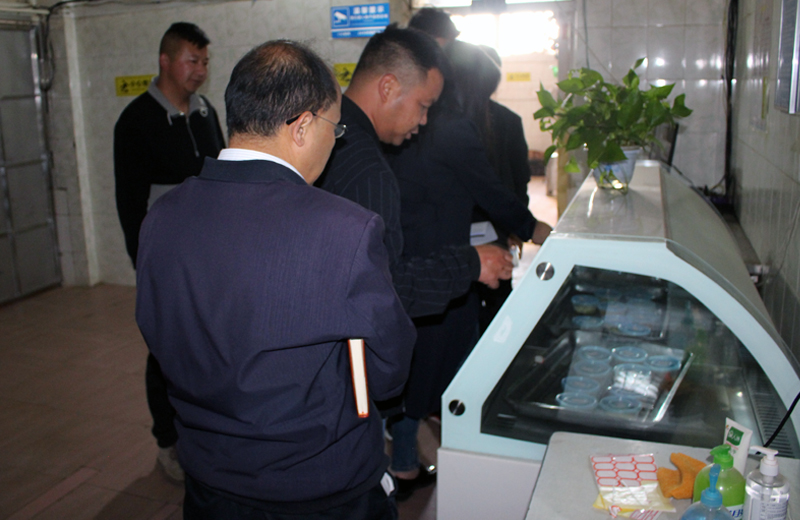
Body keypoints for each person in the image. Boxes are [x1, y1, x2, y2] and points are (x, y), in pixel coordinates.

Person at [135, 40, 416, 520]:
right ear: (303, 126)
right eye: (335, 127)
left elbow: (159, 335)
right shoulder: (345, 229)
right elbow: (388, 371)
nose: (336, 141)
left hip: (209, 480)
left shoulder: (162, 217)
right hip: (320, 487)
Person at [315, 25, 514, 500]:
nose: (423, 122)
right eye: (423, 105)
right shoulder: (366, 168)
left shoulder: (327, 135)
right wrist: (469, 264)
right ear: (388, 87)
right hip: (346, 368)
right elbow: (385, 292)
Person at [385, 40, 553, 499]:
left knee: (418, 362)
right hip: (446, 262)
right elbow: (493, 191)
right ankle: (422, 461)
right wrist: (537, 229)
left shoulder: (417, 125)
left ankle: (406, 458)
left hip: (411, 256)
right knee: (444, 362)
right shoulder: (454, 128)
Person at [113, 21, 225, 482]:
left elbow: (223, 175)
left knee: (210, 344)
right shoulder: (136, 121)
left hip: (212, 256)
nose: (200, 70)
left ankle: (205, 432)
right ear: (165, 60)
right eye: (191, 60)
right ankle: (168, 442)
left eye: (205, 62)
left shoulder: (205, 112)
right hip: (167, 262)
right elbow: (129, 203)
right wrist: (145, 264)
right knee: (166, 349)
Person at [476, 44, 536, 332]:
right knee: (494, 293)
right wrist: (518, 224)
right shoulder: (506, 119)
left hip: (493, 224)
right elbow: (520, 179)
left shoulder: (507, 121)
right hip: (496, 223)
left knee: (493, 290)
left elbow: (519, 177)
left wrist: (518, 225)